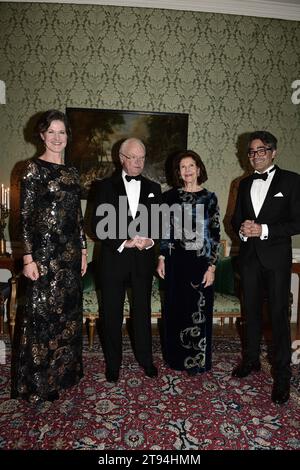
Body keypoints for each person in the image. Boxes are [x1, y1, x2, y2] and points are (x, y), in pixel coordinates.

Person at [13, 110, 87, 404]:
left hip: (69, 257)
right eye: (52, 132)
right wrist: (28, 259)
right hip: (42, 257)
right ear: (42, 135)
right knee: (42, 318)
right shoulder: (31, 169)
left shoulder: (73, 173)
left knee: (66, 317)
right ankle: (39, 384)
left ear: (68, 136)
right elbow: (23, 218)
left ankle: (62, 376)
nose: (58, 138)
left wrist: (82, 251)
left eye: (63, 132)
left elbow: (77, 217)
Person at [231, 130, 300, 405]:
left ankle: (282, 377)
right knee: (250, 312)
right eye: (251, 152)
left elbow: (298, 222)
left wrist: (265, 229)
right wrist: (245, 230)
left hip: (276, 261)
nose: (255, 156)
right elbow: (235, 220)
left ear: (273, 152)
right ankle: (251, 361)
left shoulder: (292, 181)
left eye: (261, 150)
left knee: (279, 317)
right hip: (248, 259)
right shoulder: (244, 184)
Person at [92, 138, 161, 383]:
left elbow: (159, 225)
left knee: (142, 313)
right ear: (121, 158)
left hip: (142, 261)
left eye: (142, 157)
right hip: (114, 259)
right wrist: (125, 241)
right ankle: (113, 364)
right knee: (111, 314)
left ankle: (145, 359)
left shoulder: (154, 188)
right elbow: (98, 226)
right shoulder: (104, 187)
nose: (139, 162)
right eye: (133, 157)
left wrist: (150, 241)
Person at [157, 150, 220, 375]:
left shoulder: (210, 198)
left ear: (199, 168)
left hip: (200, 263)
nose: (187, 170)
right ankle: (176, 360)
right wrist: (162, 258)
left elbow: (214, 234)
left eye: (191, 165)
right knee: (175, 311)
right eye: (183, 167)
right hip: (176, 262)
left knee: (199, 311)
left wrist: (212, 267)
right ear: (178, 172)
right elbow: (165, 230)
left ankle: (197, 362)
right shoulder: (170, 197)